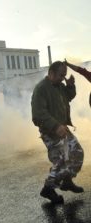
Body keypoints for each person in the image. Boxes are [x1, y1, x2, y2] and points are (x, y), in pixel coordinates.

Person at [31, 61, 84, 204]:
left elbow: (68, 97)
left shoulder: (59, 86)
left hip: (62, 129)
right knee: (60, 161)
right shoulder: (41, 89)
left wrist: (71, 85)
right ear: (51, 73)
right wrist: (55, 126)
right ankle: (48, 189)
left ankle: (67, 181)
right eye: (61, 75)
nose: (63, 78)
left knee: (77, 153)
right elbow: (38, 113)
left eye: (65, 75)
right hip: (51, 131)